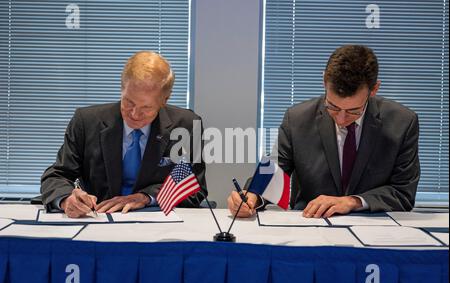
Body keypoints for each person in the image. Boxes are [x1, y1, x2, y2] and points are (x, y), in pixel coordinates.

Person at [228, 44, 420, 218]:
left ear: (374, 90)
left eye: (353, 111)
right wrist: (252, 195)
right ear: (324, 82)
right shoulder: (297, 119)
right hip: (311, 226)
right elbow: (276, 169)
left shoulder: (402, 123)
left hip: (375, 230)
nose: (342, 119)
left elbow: (403, 193)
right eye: (333, 107)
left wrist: (352, 201)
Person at [41, 51, 207, 218]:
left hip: (155, 223)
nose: (134, 114)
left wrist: (145, 197)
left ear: (165, 100)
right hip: (98, 220)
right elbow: (57, 175)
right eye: (128, 102)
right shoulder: (86, 121)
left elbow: (195, 189)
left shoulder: (187, 126)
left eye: (146, 108)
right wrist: (67, 199)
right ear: (122, 88)